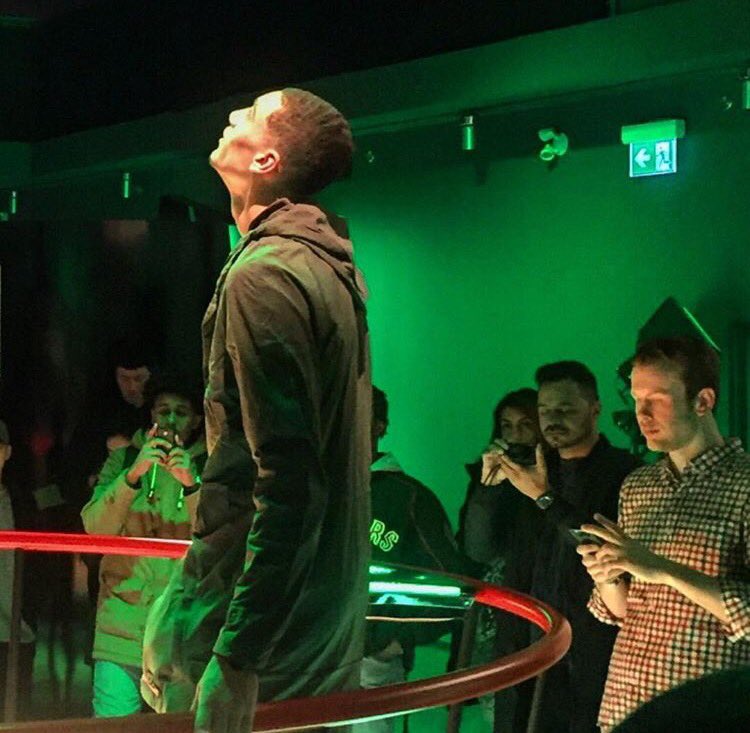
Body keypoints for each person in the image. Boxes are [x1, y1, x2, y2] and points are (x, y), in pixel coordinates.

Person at [141, 88, 371, 733]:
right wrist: (184, 602)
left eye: (249, 113)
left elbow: (289, 479)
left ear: (267, 160)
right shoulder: (322, 266)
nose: (230, 116)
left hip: (262, 635)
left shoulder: (265, 274)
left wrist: (238, 653)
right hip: (306, 618)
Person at [578, 336, 750, 732]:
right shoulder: (638, 486)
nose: (642, 414)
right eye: (637, 399)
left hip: (705, 710)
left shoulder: (743, 484)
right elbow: (625, 612)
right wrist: (607, 575)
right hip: (626, 703)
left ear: (702, 401)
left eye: (656, 399)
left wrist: (664, 569)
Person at [483, 361, 640, 733]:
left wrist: (545, 497)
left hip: (591, 653)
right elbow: (479, 548)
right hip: (525, 648)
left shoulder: (627, 474)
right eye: (545, 411)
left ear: (595, 409)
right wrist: (486, 491)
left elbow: (603, 551)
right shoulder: (529, 469)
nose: (553, 420)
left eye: (565, 409)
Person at [81, 377, 206, 717]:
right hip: (121, 627)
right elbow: (95, 528)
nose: (170, 420)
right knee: (114, 726)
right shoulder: (124, 459)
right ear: (151, 415)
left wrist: (192, 485)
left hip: (181, 630)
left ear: (197, 420)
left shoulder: (210, 464)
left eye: (181, 412)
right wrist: (133, 475)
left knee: (178, 726)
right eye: (163, 411)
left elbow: (218, 538)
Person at [362, 386, 468, 732]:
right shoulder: (321, 491)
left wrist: (393, 640)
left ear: (380, 425)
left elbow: (453, 585)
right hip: (311, 659)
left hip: (370, 665)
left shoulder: (408, 498)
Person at [456, 388, 544, 730]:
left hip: (544, 604)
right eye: (507, 426)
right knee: (498, 707)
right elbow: (476, 548)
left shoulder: (557, 477)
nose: (515, 435)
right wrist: (487, 488)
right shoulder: (489, 476)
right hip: (498, 610)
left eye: (525, 425)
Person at [0, 420, 36, 718]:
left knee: (13, 717)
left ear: (7, 452)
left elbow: (39, 568)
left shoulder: (22, 502)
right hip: (14, 632)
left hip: (14, 634)